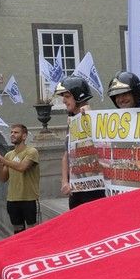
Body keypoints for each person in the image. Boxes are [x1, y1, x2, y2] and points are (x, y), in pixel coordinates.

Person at [57, 75, 105, 209]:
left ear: (78, 96)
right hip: (76, 187)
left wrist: (90, 117)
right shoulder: (71, 121)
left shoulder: (94, 118)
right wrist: (65, 181)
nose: (63, 101)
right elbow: (67, 154)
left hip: (95, 187)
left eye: (67, 96)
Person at [0, 124, 40, 234]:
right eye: (11, 132)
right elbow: (3, 178)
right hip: (12, 199)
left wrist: (1, 159)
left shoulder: (31, 151)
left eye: (16, 132)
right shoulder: (8, 155)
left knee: (32, 231)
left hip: (28, 199)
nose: (12, 134)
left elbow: (22, 167)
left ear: (24, 136)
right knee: (18, 231)